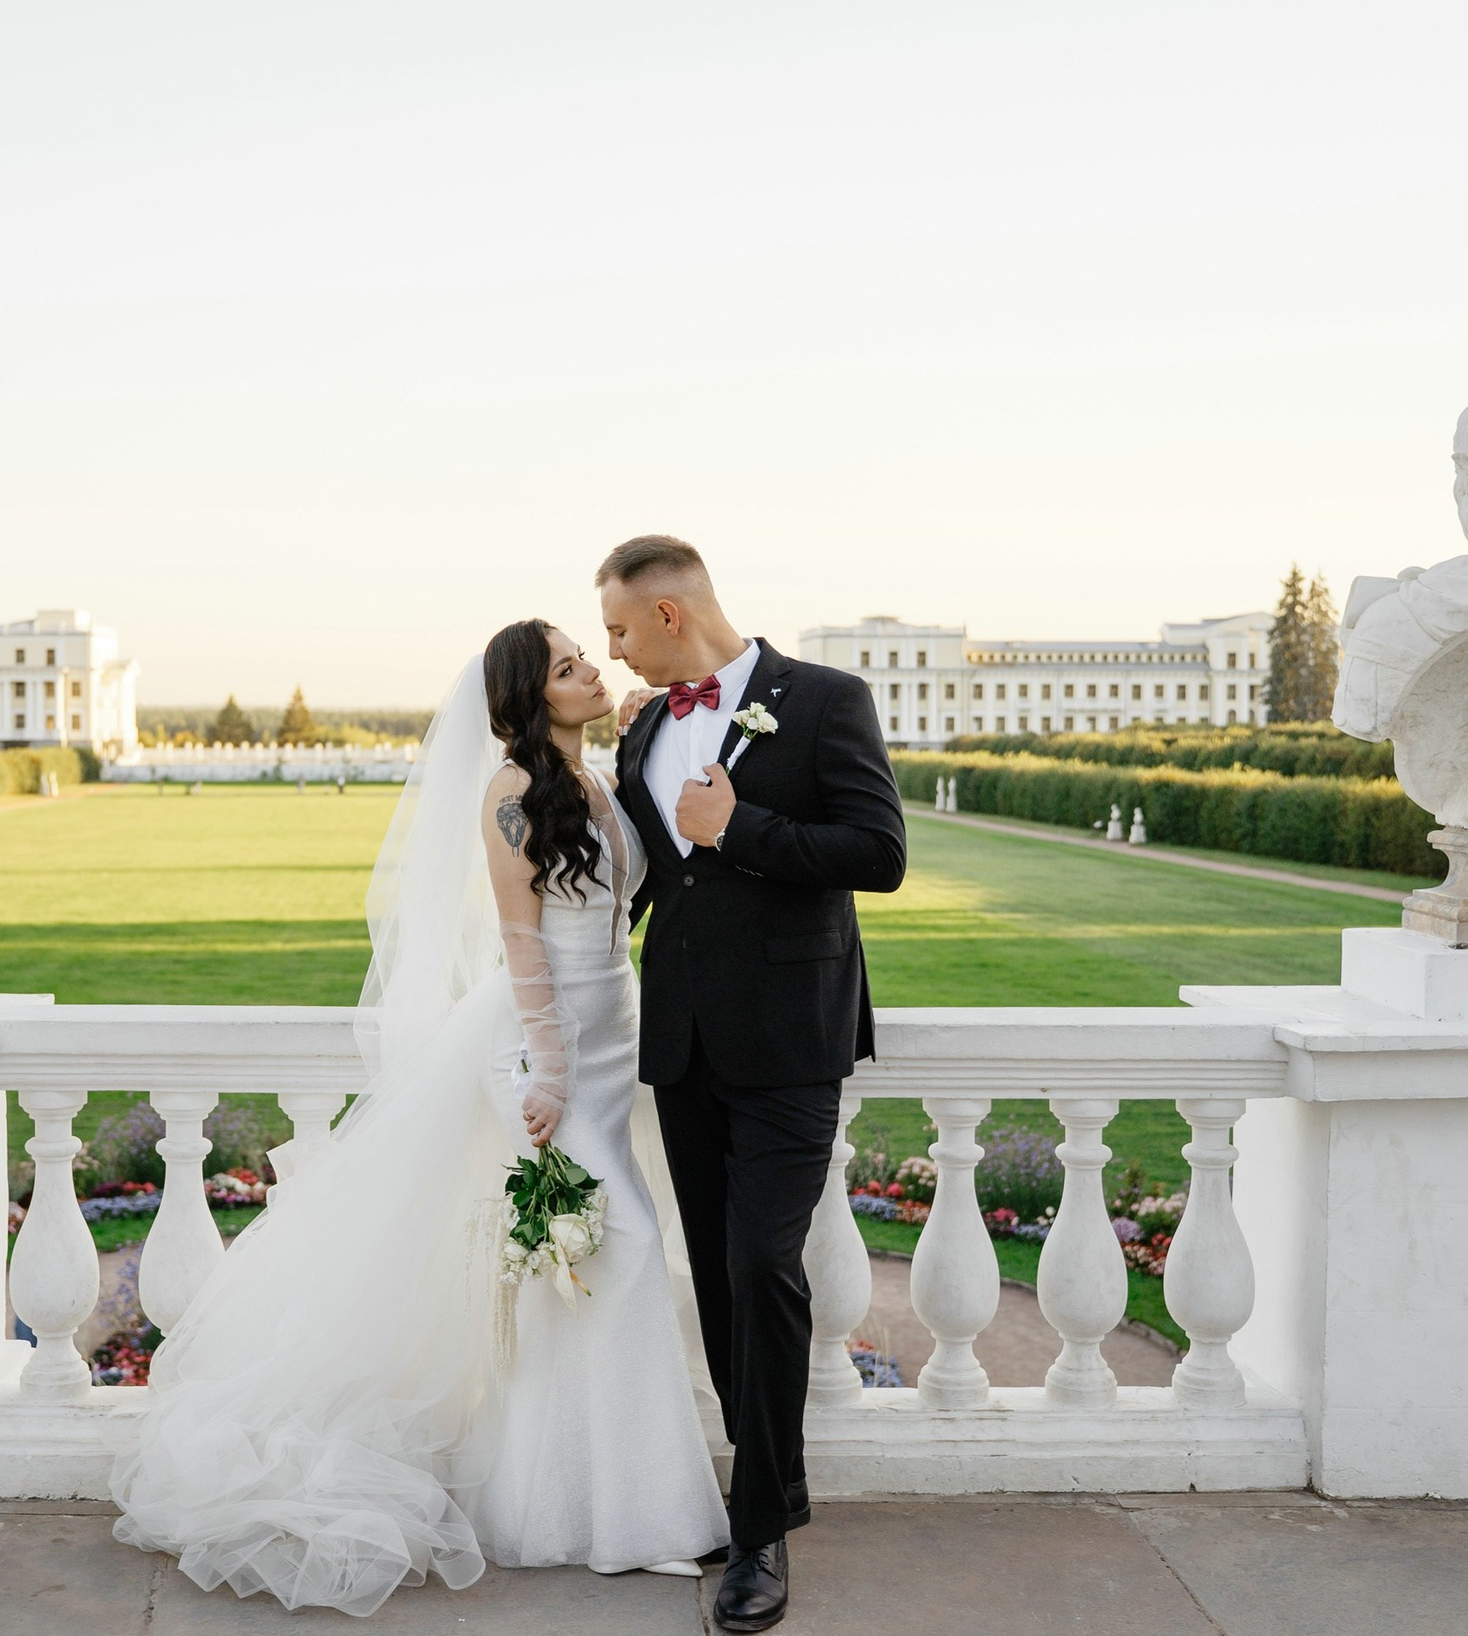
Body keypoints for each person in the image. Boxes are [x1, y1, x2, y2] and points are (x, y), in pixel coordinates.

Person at [109, 620, 728, 1617]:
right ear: (534, 699)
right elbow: (523, 936)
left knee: (576, 1269)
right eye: (571, 666)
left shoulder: (604, 781)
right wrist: (548, 1068)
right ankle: (621, 1513)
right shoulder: (512, 795)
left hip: (615, 1043)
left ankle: (582, 1503)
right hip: (546, 1046)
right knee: (610, 1249)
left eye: (587, 656)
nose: (593, 669)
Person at [601, 534, 907, 1635]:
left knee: (763, 1261)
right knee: (720, 1282)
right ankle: (759, 1491)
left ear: (671, 616)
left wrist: (743, 829)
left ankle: (763, 1532)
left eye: (621, 630)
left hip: (789, 1037)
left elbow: (877, 850)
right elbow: (637, 880)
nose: (615, 653)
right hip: (679, 1042)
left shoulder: (825, 698)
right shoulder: (642, 725)